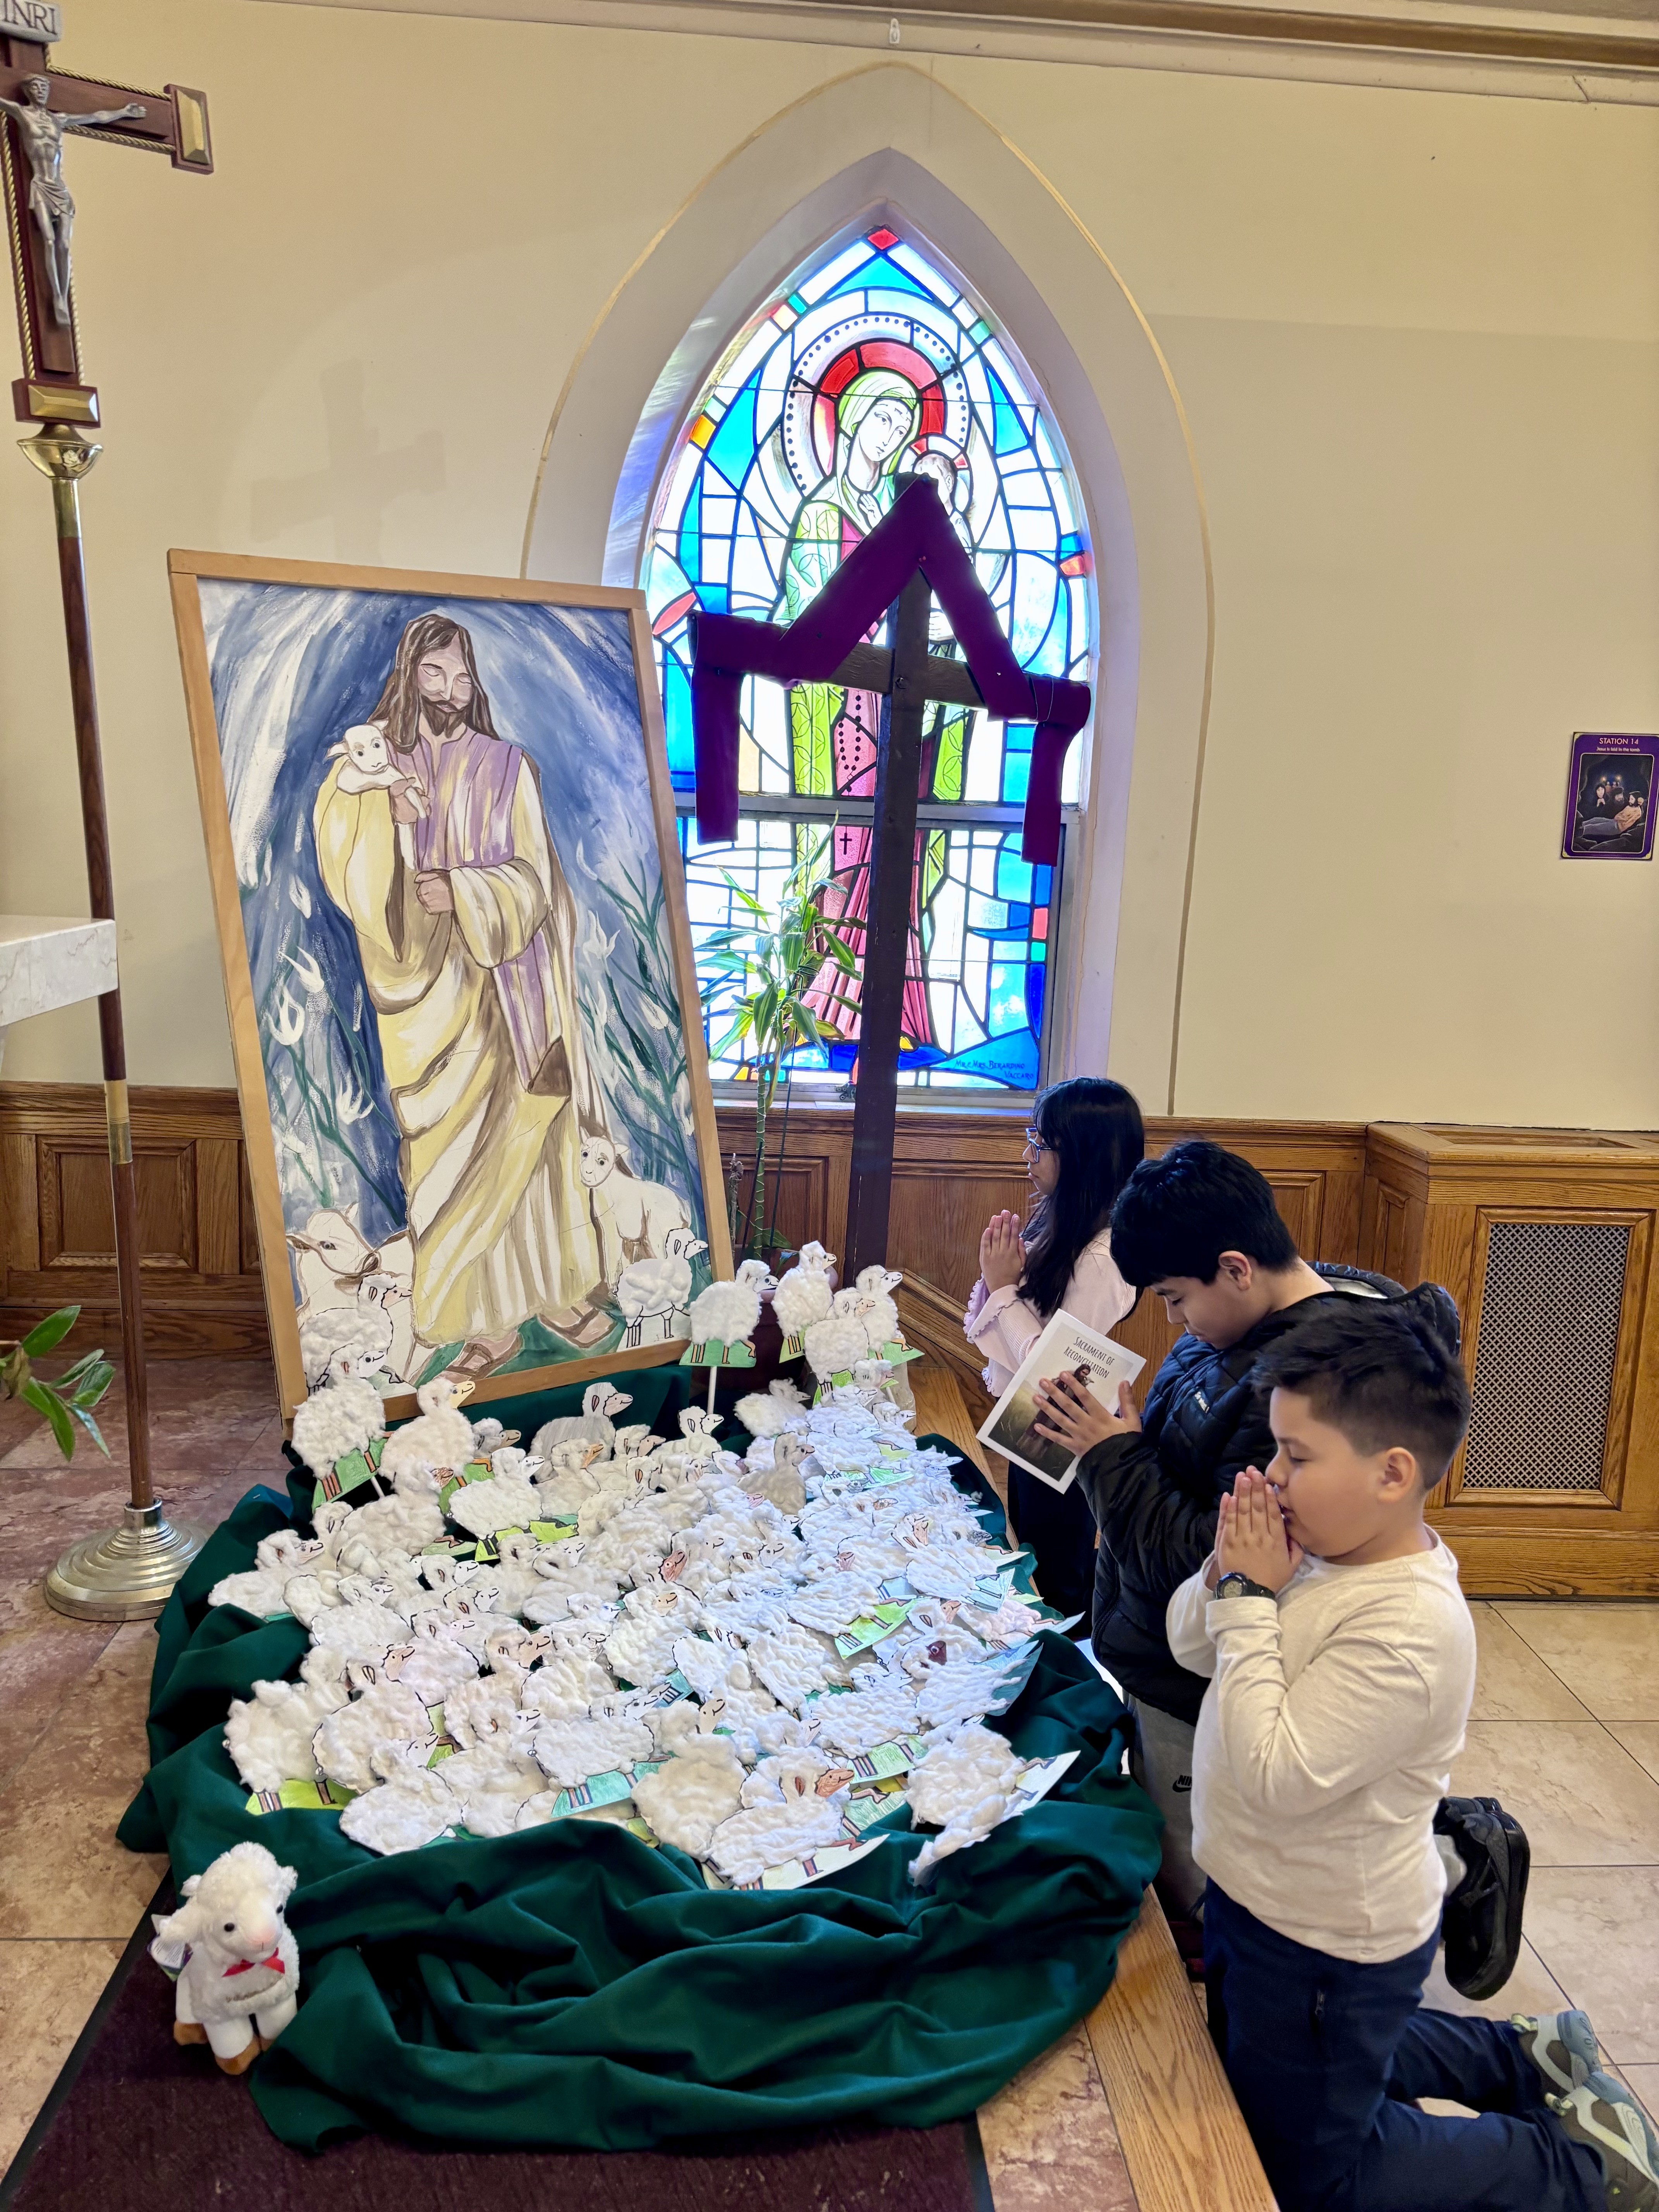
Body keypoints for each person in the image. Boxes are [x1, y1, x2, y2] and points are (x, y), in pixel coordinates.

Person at [1164, 1295, 1659, 2212]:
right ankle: (1521, 2052)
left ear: (1393, 1473)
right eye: (1274, 1450)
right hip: (1257, 1894)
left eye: (1298, 1456)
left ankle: (1578, 2171)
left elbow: (1277, 1778)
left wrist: (1246, 1594)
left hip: (1323, 1938)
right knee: (1293, 2075)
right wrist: (1225, 1576)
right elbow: (1194, 1646)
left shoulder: (1411, 1628)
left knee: (1318, 2172)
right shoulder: (1316, 1547)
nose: (1273, 1478)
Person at [1029, 1139, 1402, 1931]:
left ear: (1237, 1267)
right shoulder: (1238, 1329)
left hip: (1198, 1679)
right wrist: (1125, 1445)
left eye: (1173, 1298)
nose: (1174, 1320)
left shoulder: (1310, 1382)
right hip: (1157, 1647)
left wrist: (1110, 1456)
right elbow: (1180, 1476)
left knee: (1199, 1882)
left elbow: (1208, 1560)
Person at [315, 612, 614, 1379]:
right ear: (410, 677)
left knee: (528, 1146)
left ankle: (554, 1295)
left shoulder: (507, 766)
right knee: (448, 1168)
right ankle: (485, 1328)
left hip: (506, 989)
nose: (449, 690)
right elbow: (348, 854)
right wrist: (379, 810)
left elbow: (536, 880)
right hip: (427, 999)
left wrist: (465, 891)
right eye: (434, 674)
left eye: (461, 675)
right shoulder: (386, 766)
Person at [964, 1077, 1143, 1620]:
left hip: (1067, 1428)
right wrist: (1000, 1284)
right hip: (1033, 1420)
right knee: (1033, 1555)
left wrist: (1002, 1290)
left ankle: (1070, 1676)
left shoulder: (1104, 1256)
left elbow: (1055, 1366)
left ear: (1083, 1154)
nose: (1027, 1155)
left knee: (1059, 1576)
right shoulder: (1061, 1222)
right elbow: (1003, 1323)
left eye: (1040, 1144)